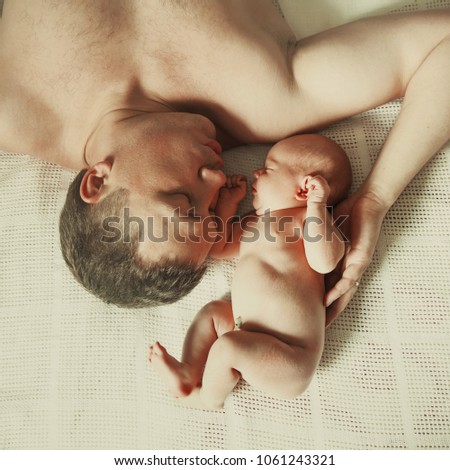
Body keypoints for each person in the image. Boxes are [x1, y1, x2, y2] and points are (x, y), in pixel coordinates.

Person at [0, 2, 449, 321]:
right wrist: (375, 199)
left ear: (97, 181)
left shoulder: (17, 113)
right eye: (215, 210)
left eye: (180, 197)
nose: (217, 177)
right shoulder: (267, 98)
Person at [148, 134, 352, 409]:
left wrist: (317, 206)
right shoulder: (254, 223)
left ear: (305, 188)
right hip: (246, 333)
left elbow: (325, 262)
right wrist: (227, 205)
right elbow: (218, 247)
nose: (256, 172)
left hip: (290, 356)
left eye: (268, 169)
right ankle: (189, 370)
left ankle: (205, 399)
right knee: (214, 312)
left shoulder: (309, 221)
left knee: (228, 348)